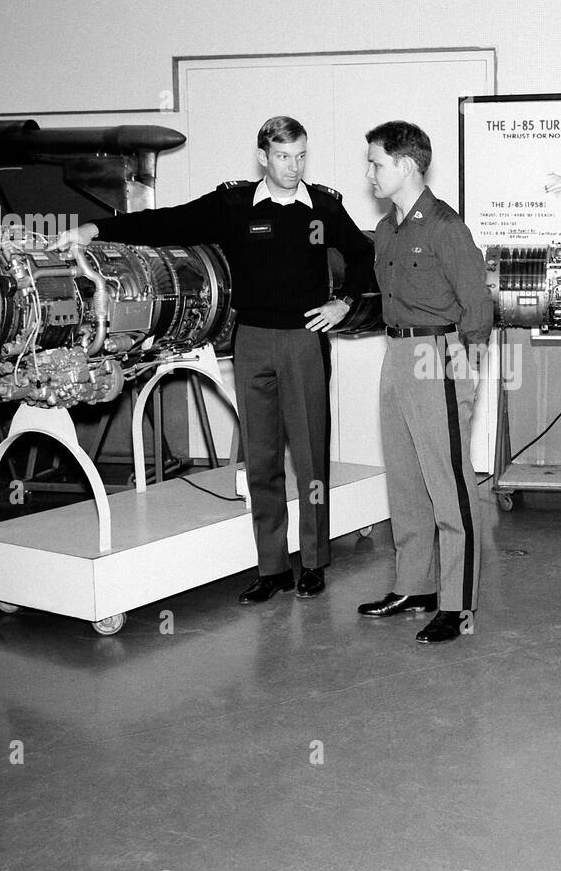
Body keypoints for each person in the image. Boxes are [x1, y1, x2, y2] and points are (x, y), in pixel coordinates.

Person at [56, 116, 374, 602]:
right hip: (251, 342)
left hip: (303, 341)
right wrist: (96, 228)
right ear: (263, 157)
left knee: (310, 459)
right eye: (284, 157)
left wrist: (345, 302)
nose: (294, 167)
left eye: (302, 156)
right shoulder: (234, 205)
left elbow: (362, 254)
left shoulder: (324, 208)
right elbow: (167, 223)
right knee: (261, 458)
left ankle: (313, 561)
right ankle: (272, 567)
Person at [355, 121, 493, 644]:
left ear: (407, 166)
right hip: (396, 351)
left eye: (376, 163)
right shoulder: (389, 228)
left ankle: (458, 604)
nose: (369, 173)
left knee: (449, 482)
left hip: (437, 353)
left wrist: (468, 356)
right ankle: (414, 585)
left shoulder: (443, 226)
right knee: (406, 478)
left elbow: (478, 301)